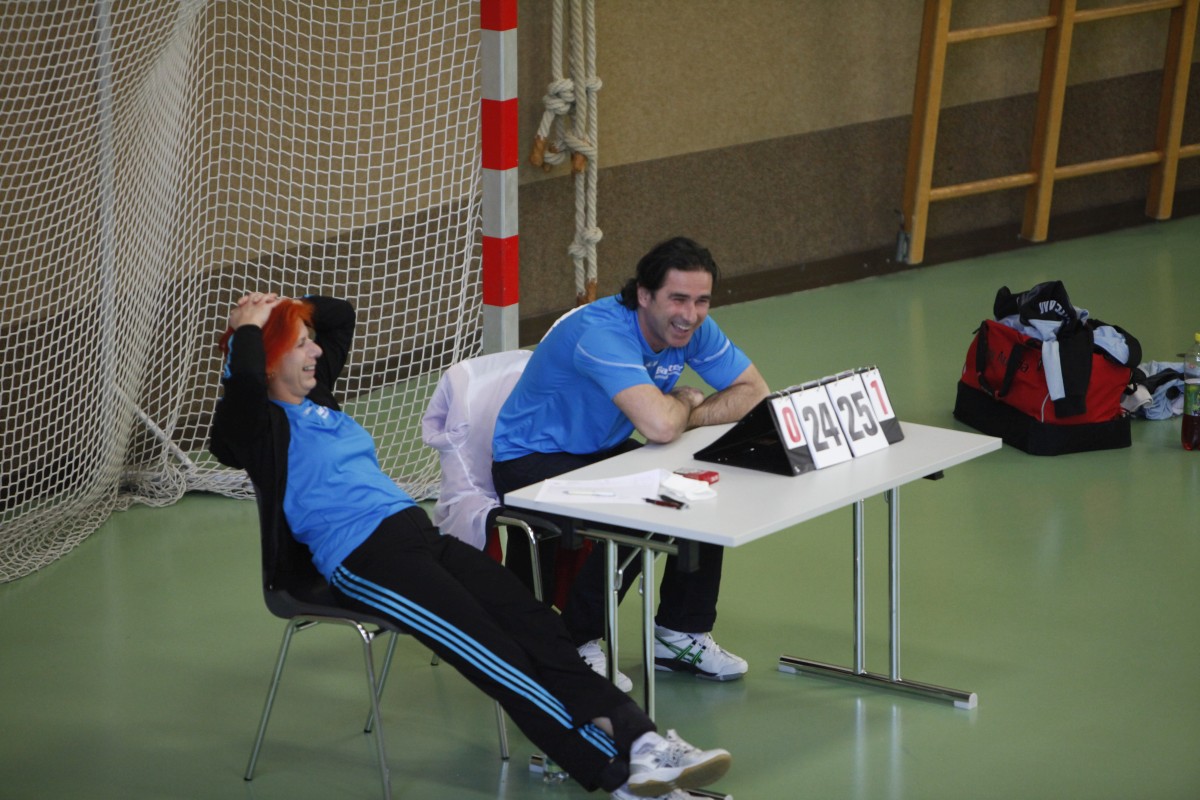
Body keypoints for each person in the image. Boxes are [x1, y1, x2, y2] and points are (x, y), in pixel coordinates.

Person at [208, 291, 732, 800]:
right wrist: (249, 329)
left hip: (416, 535)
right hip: (363, 559)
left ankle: (642, 742)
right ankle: (622, 778)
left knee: (537, 625)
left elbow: (339, 316)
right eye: (301, 343)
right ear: (267, 361)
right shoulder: (260, 431)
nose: (317, 350)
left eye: (311, 340)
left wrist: (276, 309)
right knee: (497, 656)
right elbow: (243, 394)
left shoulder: (316, 399)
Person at [491, 237, 770, 689]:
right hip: (530, 459)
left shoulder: (692, 329)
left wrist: (682, 414)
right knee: (639, 512)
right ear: (644, 294)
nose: (690, 314)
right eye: (677, 299)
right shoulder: (603, 335)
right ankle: (572, 643)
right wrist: (683, 401)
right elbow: (659, 427)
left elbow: (755, 393)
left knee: (696, 488)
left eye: (701, 300)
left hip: (598, 451)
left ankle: (679, 633)